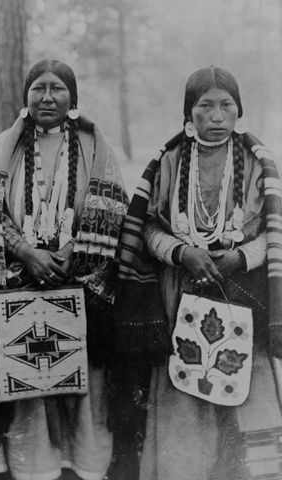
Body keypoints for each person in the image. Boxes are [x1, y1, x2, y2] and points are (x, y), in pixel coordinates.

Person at [115, 66, 282, 479]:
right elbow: (148, 227)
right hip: (181, 296)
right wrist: (182, 252)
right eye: (205, 106)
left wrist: (241, 258)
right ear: (189, 113)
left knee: (244, 389)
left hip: (243, 296)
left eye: (226, 105)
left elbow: (273, 231)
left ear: (238, 110)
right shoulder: (170, 161)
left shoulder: (259, 163)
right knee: (184, 386)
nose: (217, 115)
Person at [0, 59, 128, 480]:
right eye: (38, 88)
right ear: (25, 97)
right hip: (19, 285)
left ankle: (85, 468)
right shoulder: (5, 146)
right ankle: (33, 470)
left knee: (84, 388)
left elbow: (113, 210)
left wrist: (72, 250)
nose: (47, 97)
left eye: (57, 88)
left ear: (72, 98)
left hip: (80, 285)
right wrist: (26, 252)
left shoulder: (96, 148)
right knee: (28, 387)